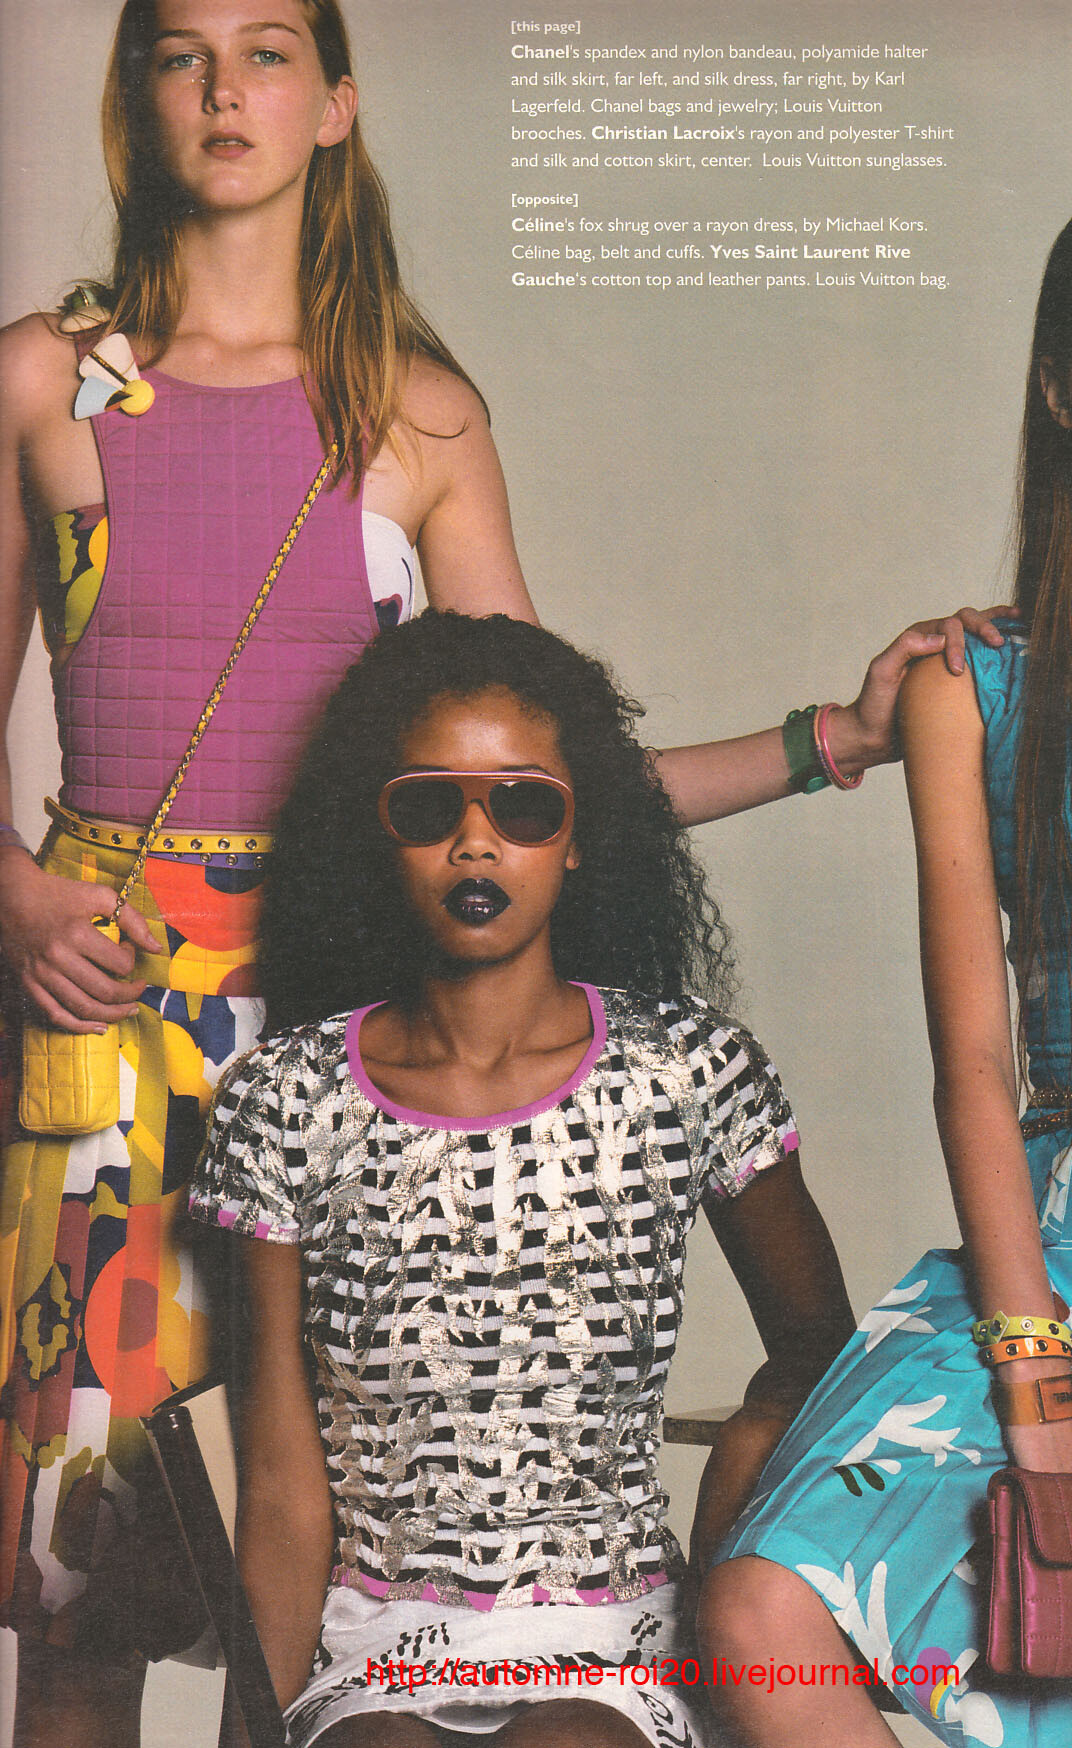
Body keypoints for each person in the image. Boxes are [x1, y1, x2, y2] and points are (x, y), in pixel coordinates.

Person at [0, 4, 1006, 1737]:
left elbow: (541, 775)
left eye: (267, 51)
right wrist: (18, 899)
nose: (224, 89)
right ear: (134, 93)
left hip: (337, 1024)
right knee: (80, 1581)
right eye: (181, 53)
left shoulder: (418, 414)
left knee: (311, 1545)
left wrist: (826, 740)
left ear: (336, 105)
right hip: (106, 1025)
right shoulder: (40, 380)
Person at [698, 171, 1072, 1747]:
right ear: (1056, 387)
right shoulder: (978, 684)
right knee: (759, 1617)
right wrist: (1033, 1385)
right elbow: (973, 1063)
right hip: (1056, 1251)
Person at [189, 607, 854, 1748]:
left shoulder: (686, 1069)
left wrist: (728, 1564)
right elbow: (283, 1483)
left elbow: (818, 1360)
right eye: (428, 807)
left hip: (615, 1635)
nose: (476, 843)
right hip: (374, 1640)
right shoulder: (284, 1098)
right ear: (378, 831)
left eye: (524, 806)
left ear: (578, 834)